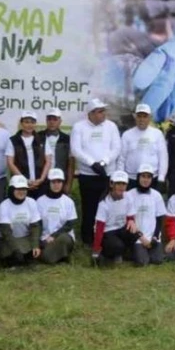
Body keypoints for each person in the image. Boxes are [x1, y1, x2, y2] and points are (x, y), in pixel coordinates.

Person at [71, 98, 122, 246]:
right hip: (87, 175)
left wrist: (103, 162)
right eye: (100, 111)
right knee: (89, 207)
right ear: (91, 114)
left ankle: (107, 236)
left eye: (103, 111)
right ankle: (88, 238)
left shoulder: (111, 126)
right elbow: (76, 149)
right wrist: (91, 163)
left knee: (108, 206)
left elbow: (116, 148)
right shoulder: (79, 127)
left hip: (107, 174)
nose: (103, 114)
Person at [91, 170, 137, 266]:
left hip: (121, 228)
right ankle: (107, 254)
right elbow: (99, 227)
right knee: (117, 246)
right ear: (112, 184)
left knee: (135, 233)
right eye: (118, 183)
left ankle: (124, 253)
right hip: (107, 231)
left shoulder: (128, 196)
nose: (121, 187)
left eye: (123, 184)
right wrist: (96, 248)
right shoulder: (104, 203)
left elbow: (130, 215)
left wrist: (131, 221)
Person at [118, 103, 169, 189]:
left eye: (145, 116)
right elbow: (121, 158)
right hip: (131, 178)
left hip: (152, 178)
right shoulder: (127, 135)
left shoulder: (157, 134)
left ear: (150, 118)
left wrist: (161, 177)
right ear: (135, 117)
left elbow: (163, 157)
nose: (141, 119)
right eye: (139, 116)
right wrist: (120, 177)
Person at [125, 164, 168, 265]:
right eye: (143, 176)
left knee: (157, 260)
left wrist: (155, 237)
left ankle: (148, 251)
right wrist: (141, 238)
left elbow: (160, 219)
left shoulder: (156, 195)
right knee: (142, 262)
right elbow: (128, 220)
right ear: (138, 177)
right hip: (137, 237)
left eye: (148, 177)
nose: (146, 179)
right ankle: (134, 251)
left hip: (153, 236)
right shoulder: (130, 194)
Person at [0, 175, 42, 267]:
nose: (22, 192)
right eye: (18, 189)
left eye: (24, 189)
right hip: (7, 239)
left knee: (29, 256)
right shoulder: (4, 205)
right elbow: (6, 232)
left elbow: (35, 226)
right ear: (12, 189)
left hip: (25, 237)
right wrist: (16, 250)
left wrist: (35, 245)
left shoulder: (31, 202)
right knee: (10, 256)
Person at [35, 168, 78, 264]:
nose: (56, 185)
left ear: (63, 183)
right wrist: (40, 241)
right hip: (45, 238)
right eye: (53, 182)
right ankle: (61, 256)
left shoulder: (68, 201)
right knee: (45, 252)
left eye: (59, 182)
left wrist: (54, 236)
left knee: (63, 240)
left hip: (63, 236)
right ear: (49, 183)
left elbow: (70, 224)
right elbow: (37, 224)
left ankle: (52, 256)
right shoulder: (40, 201)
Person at [6, 111, 48, 199]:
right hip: (20, 185)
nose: (29, 125)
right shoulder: (13, 140)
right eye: (27, 122)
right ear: (21, 123)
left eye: (32, 122)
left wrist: (41, 179)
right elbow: (10, 163)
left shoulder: (42, 139)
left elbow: (48, 161)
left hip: (40, 185)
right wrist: (24, 181)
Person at [37, 108, 73, 195]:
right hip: (41, 180)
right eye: (49, 119)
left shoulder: (67, 139)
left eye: (55, 119)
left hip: (59, 179)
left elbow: (71, 163)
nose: (52, 122)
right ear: (46, 121)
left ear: (60, 121)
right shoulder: (38, 137)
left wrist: (68, 184)